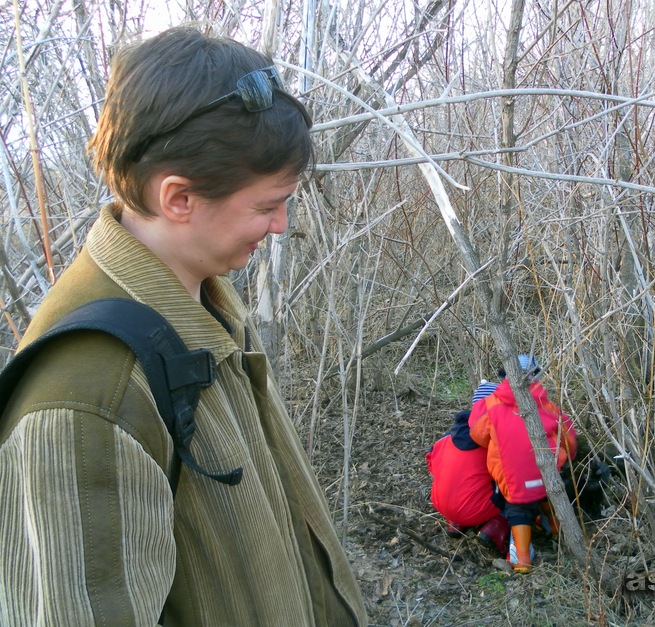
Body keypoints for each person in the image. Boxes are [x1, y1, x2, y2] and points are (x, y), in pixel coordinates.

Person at [0, 27, 366, 625]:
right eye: (266, 204)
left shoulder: (201, 296)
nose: (280, 225)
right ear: (178, 198)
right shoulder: (86, 399)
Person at [469, 354, 578, 573]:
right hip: (547, 473)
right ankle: (557, 530)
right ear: (535, 376)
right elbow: (568, 434)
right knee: (547, 491)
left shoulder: (491, 405)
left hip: (513, 478)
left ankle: (523, 559)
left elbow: (477, 435)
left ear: (504, 377)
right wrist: (569, 454)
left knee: (517, 508)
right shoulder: (546, 403)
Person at [425, 411, 510, 554]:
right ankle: (494, 529)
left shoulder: (444, 439)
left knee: (459, 480)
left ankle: (455, 523)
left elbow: (430, 460)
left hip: (440, 503)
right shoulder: (493, 445)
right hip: (473, 509)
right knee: (516, 487)